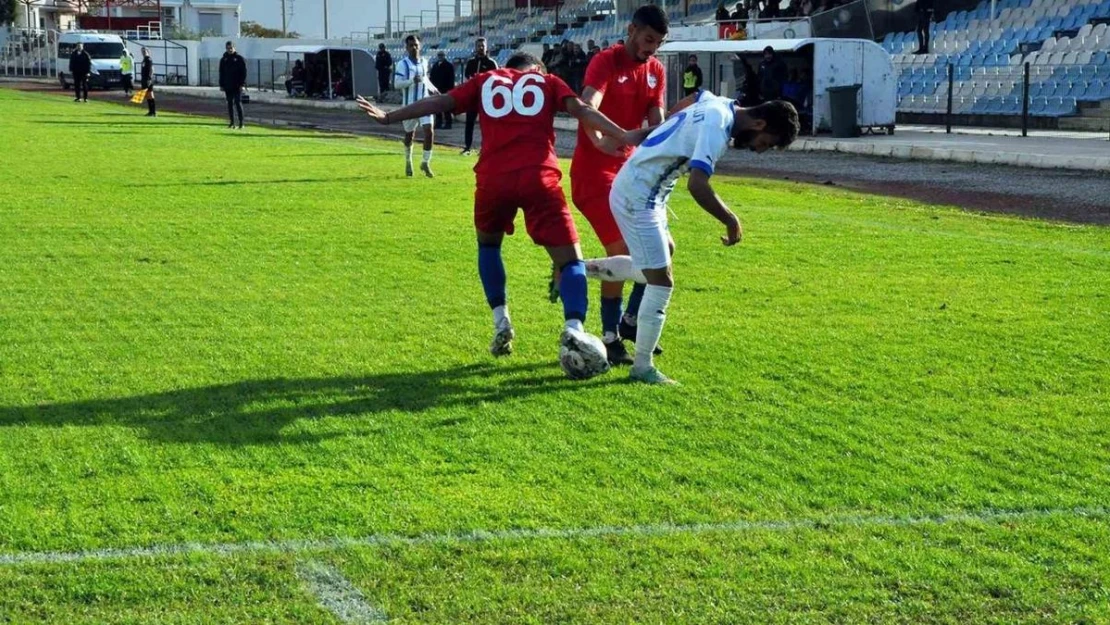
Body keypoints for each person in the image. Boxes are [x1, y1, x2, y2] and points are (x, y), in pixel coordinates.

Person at [355, 53, 644, 363]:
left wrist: (389, 117)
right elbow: (583, 110)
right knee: (571, 261)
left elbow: (441, 102)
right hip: (539, 177)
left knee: (489, 246)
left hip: (494, 179)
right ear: (537, 68)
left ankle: (500, 319)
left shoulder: (485, 80)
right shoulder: (547, 81)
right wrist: (623, 134)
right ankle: (574, 328)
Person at [584, 93, 800, 384]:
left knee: (661, 257)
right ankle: (642, 368)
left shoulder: (719, 103)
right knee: (661, 280)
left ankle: (579, 268)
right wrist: (730, 219)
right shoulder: (718, 126)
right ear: (759, 123)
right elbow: (698, 185)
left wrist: (640, 135)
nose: (759, 150)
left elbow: (692, 99)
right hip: (639, 195)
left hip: (646, 191)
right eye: (766, 143)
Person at [564, 3, 669, 366]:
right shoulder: (606, 62)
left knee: (663, 246)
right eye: (647, 40)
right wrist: (601, 139)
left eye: (657, 43)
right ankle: (609, 336)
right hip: (593, 175)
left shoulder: (656, 70)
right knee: (623, 246)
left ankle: (629, 321)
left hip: (630, 176)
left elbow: (657, 117)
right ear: (632, 31)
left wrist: (660, 136)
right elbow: (586, 106)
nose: (651, 49)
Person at [392, 35, 438, 178]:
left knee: (429, 131)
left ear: (420, 46)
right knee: (409, 135)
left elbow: (425, 79)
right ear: (406, 48)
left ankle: (425, 162)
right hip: (409, 105)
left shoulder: (424, 62)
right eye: (411, 45)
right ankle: (408, 160)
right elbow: (396, 84)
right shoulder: (402, 64)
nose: (414, 48)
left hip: (425, 103)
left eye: (416, 45)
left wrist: (434, 90)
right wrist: (411, 81)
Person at [461, 37, 498, 156]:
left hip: (486, 98)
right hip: (473, 97)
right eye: (478, 46)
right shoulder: (471, 62)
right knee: (469, 122)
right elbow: (467, 76)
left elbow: (496, 79)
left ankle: (486, 148)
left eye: (483, 46)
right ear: (475, 47)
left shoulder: (491, 63)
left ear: (486, 47)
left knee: (486, 124)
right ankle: (467, 147)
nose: (481, 48)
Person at [218, 40, 247, 129]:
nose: (229, 50)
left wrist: (242, 84)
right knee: (229, 103)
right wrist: (221, 85)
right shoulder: (223, 59)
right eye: (228, 48)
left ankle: (241, 123)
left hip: (237, 85)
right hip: (228, 85)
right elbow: (221, 72)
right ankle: (232, 123)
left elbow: (244, 72)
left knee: (238, 102)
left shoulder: (239, 59)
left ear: (234, 48)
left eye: (231, 48)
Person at [429, 51, 456, 129]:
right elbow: (432, 77)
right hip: (437, 89)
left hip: (446, 89)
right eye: (439, 55)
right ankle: (438, 122)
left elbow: (451, 79)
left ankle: (448, 123)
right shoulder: (435, 65)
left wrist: (450, 89)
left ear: (444, 56)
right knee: (437, 107)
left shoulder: (449, 66)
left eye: (441, 55)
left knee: (446, 107)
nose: (440, 56)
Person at [140, 47, 156, 116]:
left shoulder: (148, 59)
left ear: (147, 51)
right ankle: (150, 111)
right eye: (142, 51)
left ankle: (153, 112)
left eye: (144, 51)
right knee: (147, 95)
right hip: (144, 79)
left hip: (147, 79)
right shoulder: (144, 59)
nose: (143, 52)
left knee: (150, 95)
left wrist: (149, 78)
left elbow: (152, 70)